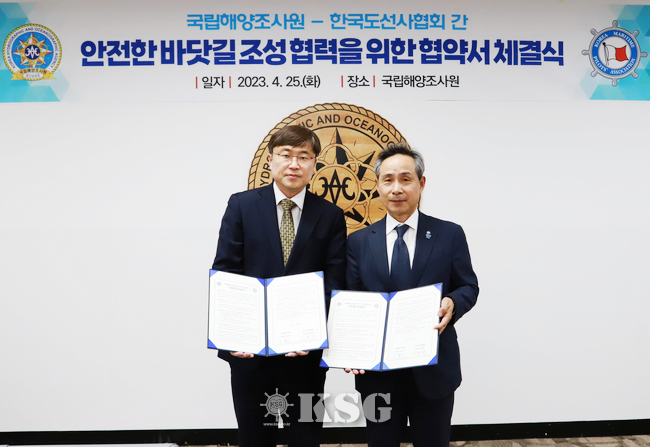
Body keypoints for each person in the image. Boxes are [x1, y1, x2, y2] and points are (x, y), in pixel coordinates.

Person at [211, 125, 347, 447]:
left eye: (304, 157)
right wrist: (233, 335)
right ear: (271, 160)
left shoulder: (330, 215)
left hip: (304, 355)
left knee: (306, 437)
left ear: (314, 164)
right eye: (286, 155)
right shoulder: (241, 206)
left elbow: (335, 280)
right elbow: (226, 272)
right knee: (254, 438)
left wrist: (314, 332)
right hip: (250, 353)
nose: (294, 164)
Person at [345, 143, 479, 447]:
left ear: (421, 183)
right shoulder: (359, 241)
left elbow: (468, 286)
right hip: (378, 373)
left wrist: (453, 302)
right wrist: (350, 347)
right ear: (377, 185)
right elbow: (351, 300)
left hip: (434, 369)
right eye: (388, 180)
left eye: (406, 179)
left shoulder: (449, 234)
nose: (397, 189)